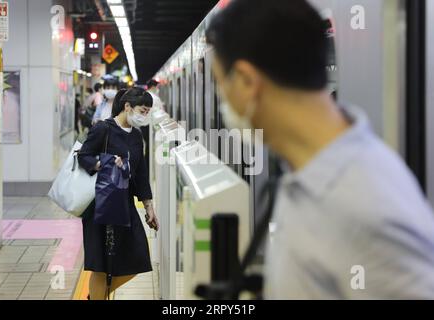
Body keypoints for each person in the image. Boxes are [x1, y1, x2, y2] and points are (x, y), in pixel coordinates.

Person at [206, 0, 434, 299]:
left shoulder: (366, 206)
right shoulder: (305, 176)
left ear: (248, 82)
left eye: (221, 85)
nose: (223, 101)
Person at [78, 87, 159, 300]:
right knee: (100, 265)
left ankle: (95, 297)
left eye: (147, 112)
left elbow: (140, 173)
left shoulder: (136, 136)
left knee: (138, 257)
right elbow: (83, 156)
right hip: (99, 205)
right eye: (142, 111)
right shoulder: (103, 129)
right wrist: (103, 164)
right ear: (127, 107)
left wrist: (149, 206)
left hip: (124, 205)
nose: (145, 116)